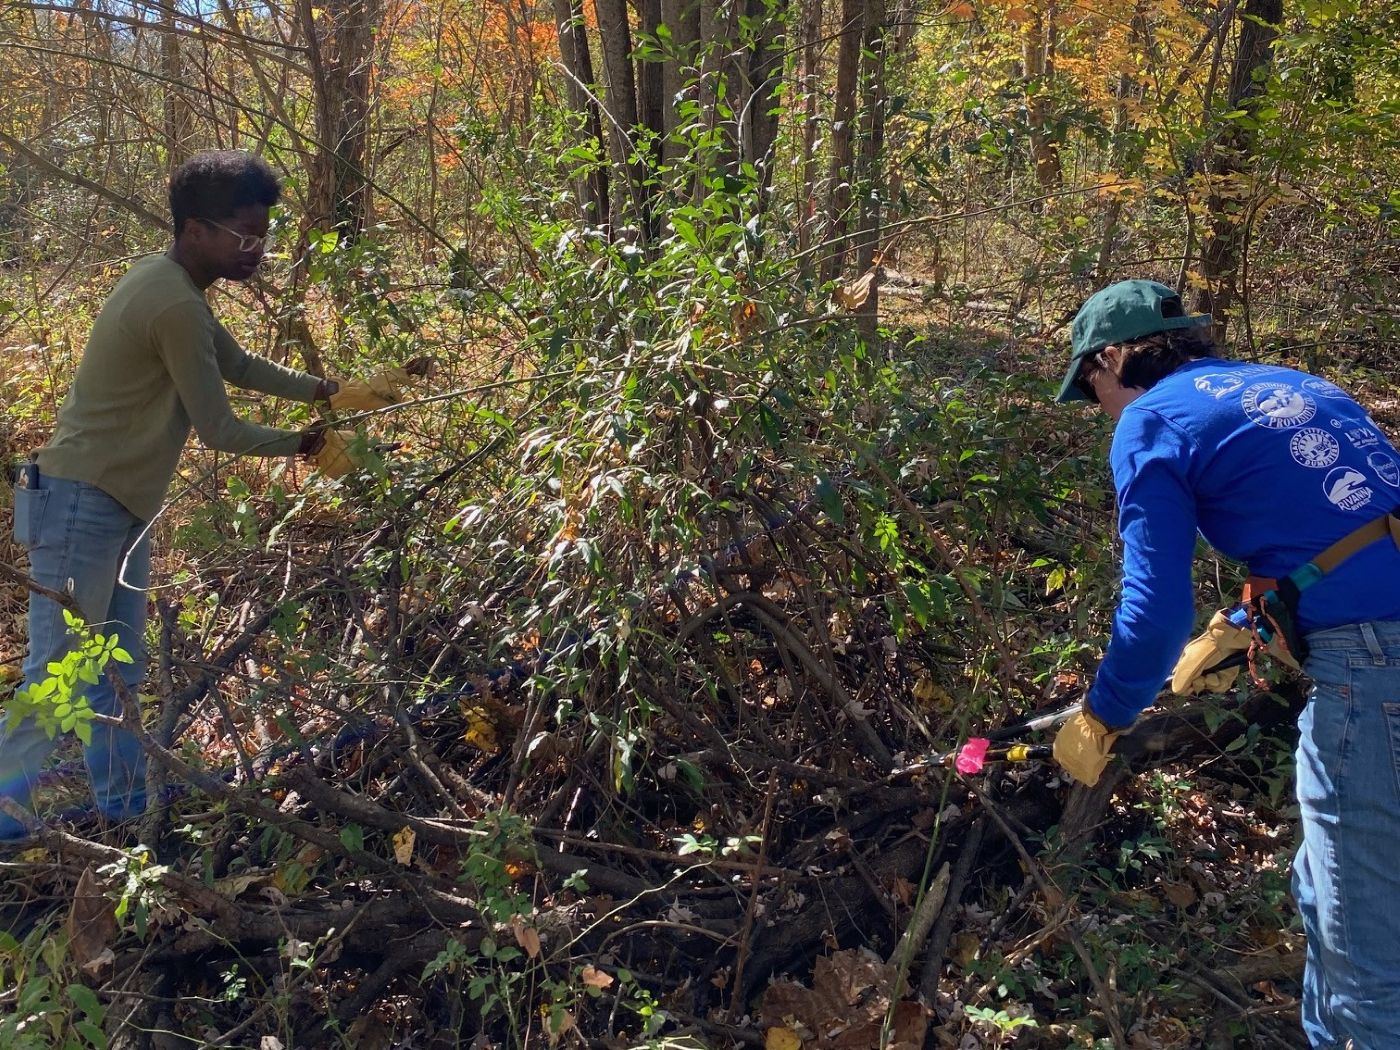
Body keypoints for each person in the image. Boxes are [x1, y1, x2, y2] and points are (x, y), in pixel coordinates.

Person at [1, 150, 424, 841]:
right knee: (54, 683)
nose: (257, 249)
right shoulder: (171, 301)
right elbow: (219, 428)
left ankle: (126, 810)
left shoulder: (171, 284)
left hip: (114, 506)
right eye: (244, 235)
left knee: (115, 673)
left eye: (263, 235)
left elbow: (238, 364)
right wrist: (307, 445)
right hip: (81, 505)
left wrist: (328, 391)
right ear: (196, 229)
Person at [1049, 279, 1400, 1048]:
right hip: (1379, 643)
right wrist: (1242, 623)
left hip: (1376, 672)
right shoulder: (1293, 384)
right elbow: (1357, 530)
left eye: (1091, 384)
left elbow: (1152, 612)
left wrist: (1104, 714)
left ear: (1115, 357)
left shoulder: (1149, 419)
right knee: (1323, 888)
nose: (1098, 406)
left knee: (1366, 969)